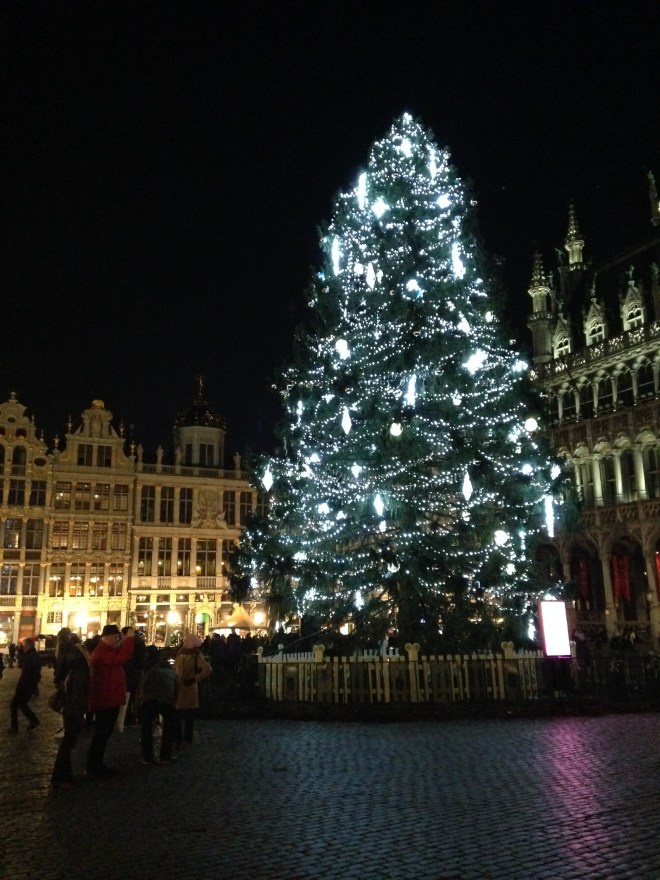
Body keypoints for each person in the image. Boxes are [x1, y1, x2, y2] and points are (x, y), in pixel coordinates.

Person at [86, 624, 135, 777]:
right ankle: (94, 766)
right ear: (106, 638)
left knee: (104, 734)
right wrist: (130, 640)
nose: (117, 640)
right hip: (105, 699)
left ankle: (96, 764)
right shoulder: (101, 652)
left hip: (109, 697)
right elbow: (123, 657)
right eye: (115, 637)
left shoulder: (105, 650)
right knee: (102, 734)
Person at [50, 630, 92, 790]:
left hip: (70, 703)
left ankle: (63, 776)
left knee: (69, 739)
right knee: (69, 741)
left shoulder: (64, 655)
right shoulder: (76, 658)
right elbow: (76, 684)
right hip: (73, 704)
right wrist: (79, 708)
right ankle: (60, 778)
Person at [136, 646, 178, 765]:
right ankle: (165, 755)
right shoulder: (169, 670)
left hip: (148, 699)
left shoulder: (147, 670)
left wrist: (139, 707)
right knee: (168, 726)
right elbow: (176, 686)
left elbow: (140, 689)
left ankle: (147, 756)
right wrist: (174, 701)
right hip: (166, 698)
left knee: (146, 727)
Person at [174, 633, 211, 747]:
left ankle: (186, 739)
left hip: (189, 687)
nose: (184, 642)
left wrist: (194, 679)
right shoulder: (181, 652)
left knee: (188, 715)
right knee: (178, 715)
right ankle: (179, 738)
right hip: (180, 686)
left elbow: (207, 669)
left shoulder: (195, 655)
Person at [9, 637, 41, 733]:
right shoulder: (34, 655)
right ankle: (34, 720)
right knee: (22, 704)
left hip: (25, 686)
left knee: (14, 705)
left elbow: (26, 674)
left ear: (28, 645)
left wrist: (20, 687)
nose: (23, 648)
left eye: (24, 646)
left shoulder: (30, 656)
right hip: (30, 685)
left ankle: (14, 728)